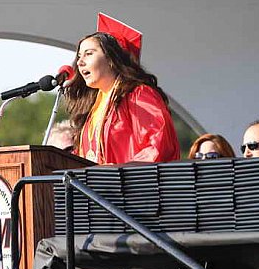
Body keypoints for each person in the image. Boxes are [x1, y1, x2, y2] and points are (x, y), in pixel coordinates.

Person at [64, 13, 180, 164]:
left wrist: (119, 172)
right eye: (79, 56)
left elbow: (158, 144)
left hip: (132, 185)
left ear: (111, 59)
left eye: (88, 54)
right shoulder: (92, 107)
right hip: (97, 187)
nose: (80, 62)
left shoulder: (138, 95)